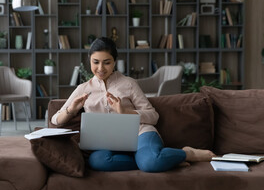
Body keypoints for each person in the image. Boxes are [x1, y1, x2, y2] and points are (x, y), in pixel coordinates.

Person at [51, 37, 215, 172]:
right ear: (89, 61)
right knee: (97, 161)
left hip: (140, 135)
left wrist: (125, 112)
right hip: (107, 144)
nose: (100, 68)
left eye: (107, 62)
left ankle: (186, 153)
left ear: (115, 62)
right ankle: (160, 159)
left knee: (151, 163)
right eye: (96, 62)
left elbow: (153, 116)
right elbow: (55, 120)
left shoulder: (128, 83)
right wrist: (71, 109)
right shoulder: (83, 89)